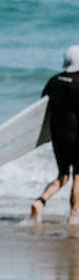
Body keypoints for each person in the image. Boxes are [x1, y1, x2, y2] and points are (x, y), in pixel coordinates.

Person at [31, 45, 79, 223]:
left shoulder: (53, 81)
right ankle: (73, 216)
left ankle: (40, 202)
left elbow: (42, 107)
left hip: (58, 135)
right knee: (77, 176)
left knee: (63, 175)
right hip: (77, 136)